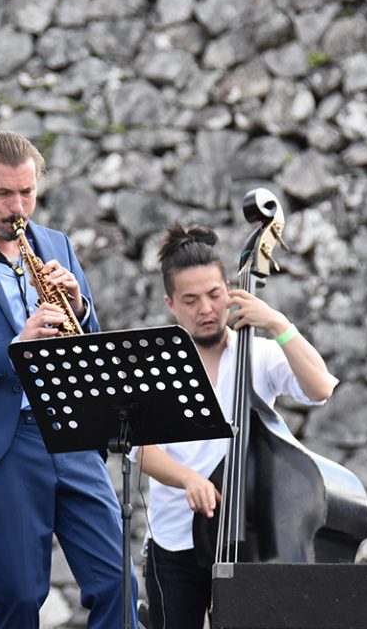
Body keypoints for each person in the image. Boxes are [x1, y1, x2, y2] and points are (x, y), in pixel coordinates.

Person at [0, 129, 138, 628]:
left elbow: (87, 341)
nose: (17, 207)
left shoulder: (56, 244)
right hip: (5, 442)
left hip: (72, 432)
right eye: (3, 194)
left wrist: (79, 306)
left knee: (119, 582)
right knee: (17, 596)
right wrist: (17, 349)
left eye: (27, 192)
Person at [133, 222, 339, 629]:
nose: (206, 309)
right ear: (170, 304)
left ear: (229, 289)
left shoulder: (259, 355)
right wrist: (188, 479)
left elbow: (320, 388)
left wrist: (278, 325)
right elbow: (142, 449)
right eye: (190, 300)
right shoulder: (158, 365)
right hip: (174, 538)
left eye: (214, 295)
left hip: (252, 534)